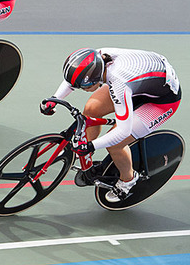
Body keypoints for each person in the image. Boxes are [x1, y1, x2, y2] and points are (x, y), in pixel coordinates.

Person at [40, 48, 182, 202]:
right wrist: (54, 98)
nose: (82, 90)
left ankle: (129, 179)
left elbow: (123, 131)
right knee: (91, 109)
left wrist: (92, 145)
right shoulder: (95, 58)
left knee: (116, 144)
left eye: (85, 87)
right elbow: (74, 79)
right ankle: (85, 158)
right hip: (142, 82)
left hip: (162, 102)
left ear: (95, 79)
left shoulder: (119, 82)